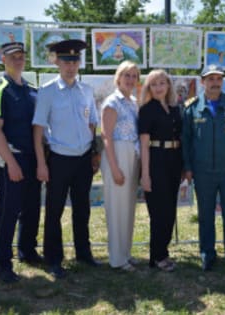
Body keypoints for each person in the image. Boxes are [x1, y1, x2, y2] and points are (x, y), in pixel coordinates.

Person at [33, 39, 100, 279]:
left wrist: (94, 152)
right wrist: (41, 163)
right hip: (59, 160)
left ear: (79, 63)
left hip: (82, 159)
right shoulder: (48, 91)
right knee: (54, 211)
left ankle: (83, 252)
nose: (71, 66)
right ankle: (53, 258)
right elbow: (38, 130)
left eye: (75, 61)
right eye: (66, 61)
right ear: (57, 62)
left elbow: (92, 122)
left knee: (82, 209)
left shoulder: (86, 91)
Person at [182, 65, 225, 276]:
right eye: (210, 78)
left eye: (218, 78)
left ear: (223, 81)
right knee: (205, 217)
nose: (215, 82)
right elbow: (186, 141)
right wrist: (187, 167)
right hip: (202, 171)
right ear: (203, 82)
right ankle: (207, 255)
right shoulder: (191, 108)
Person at [0, 42, 42, 283]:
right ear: (3, 58)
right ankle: (2, 262)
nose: (18, 60)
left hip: (32, 157)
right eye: (13, 56)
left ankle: (27, 250)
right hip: (12, 158)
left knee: (31, 208)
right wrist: (10, 163)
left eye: (21, 56)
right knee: (8, 212)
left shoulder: (31, 90)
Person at [138, 69, 182, 272]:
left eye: (162, 83)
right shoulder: (147, 110)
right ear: (149, 87)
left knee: (170, 210)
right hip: (155, 161)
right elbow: (144, 145)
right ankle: (157, 256)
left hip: (173, 161)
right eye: (154, 84)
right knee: (159, 212)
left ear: (168, 86)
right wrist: (145, 174)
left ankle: (163, 251)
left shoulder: (174, 109)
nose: (158, 87)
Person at [100, 61, 141, 272]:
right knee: (116, 208)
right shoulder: (112, 102)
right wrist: (115, 168)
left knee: (128, 208)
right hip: (116, 154)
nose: (131, 79)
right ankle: (116, 258)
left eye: (134, 76)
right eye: (127, 75)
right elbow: (106, 136)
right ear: (118, 77)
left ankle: (126, 252)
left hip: (131, 156)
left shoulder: (133, 101)